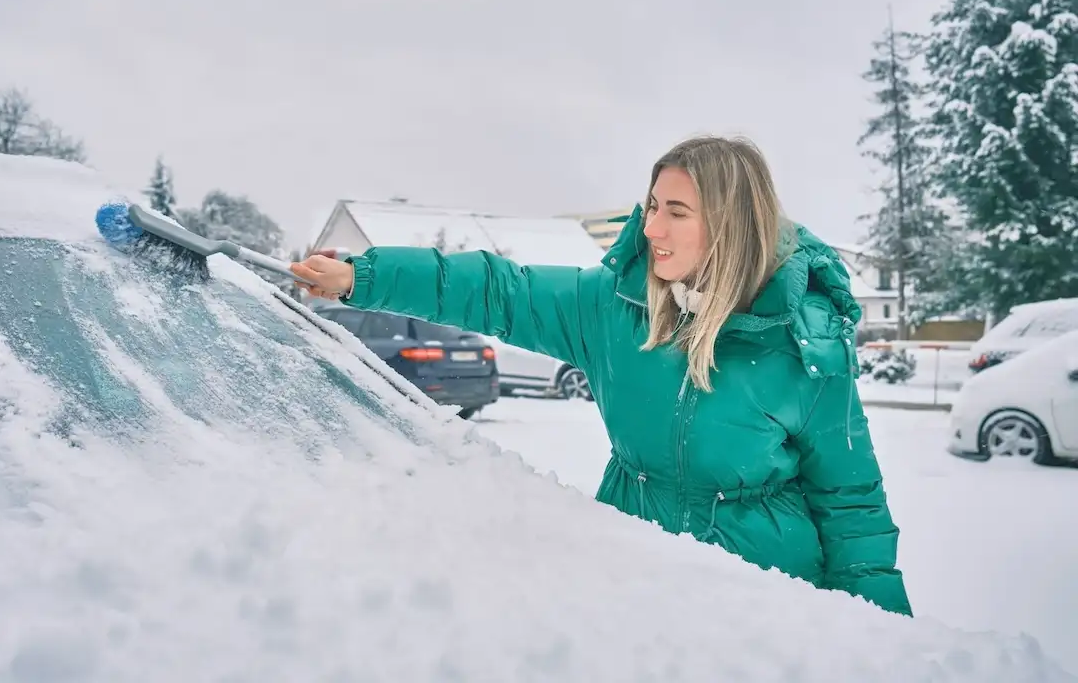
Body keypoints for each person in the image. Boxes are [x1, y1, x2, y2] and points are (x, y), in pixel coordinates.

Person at [290, 135, 913, 617]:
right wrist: (361, 278)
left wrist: (877, 639)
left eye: (676, 212)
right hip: (630, 584)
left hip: (762, 604)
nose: (651, 228)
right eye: (651, 207)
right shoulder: (615, 310)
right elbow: (501, 292)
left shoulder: (804, 347)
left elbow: (851, 502)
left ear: (729, 224)